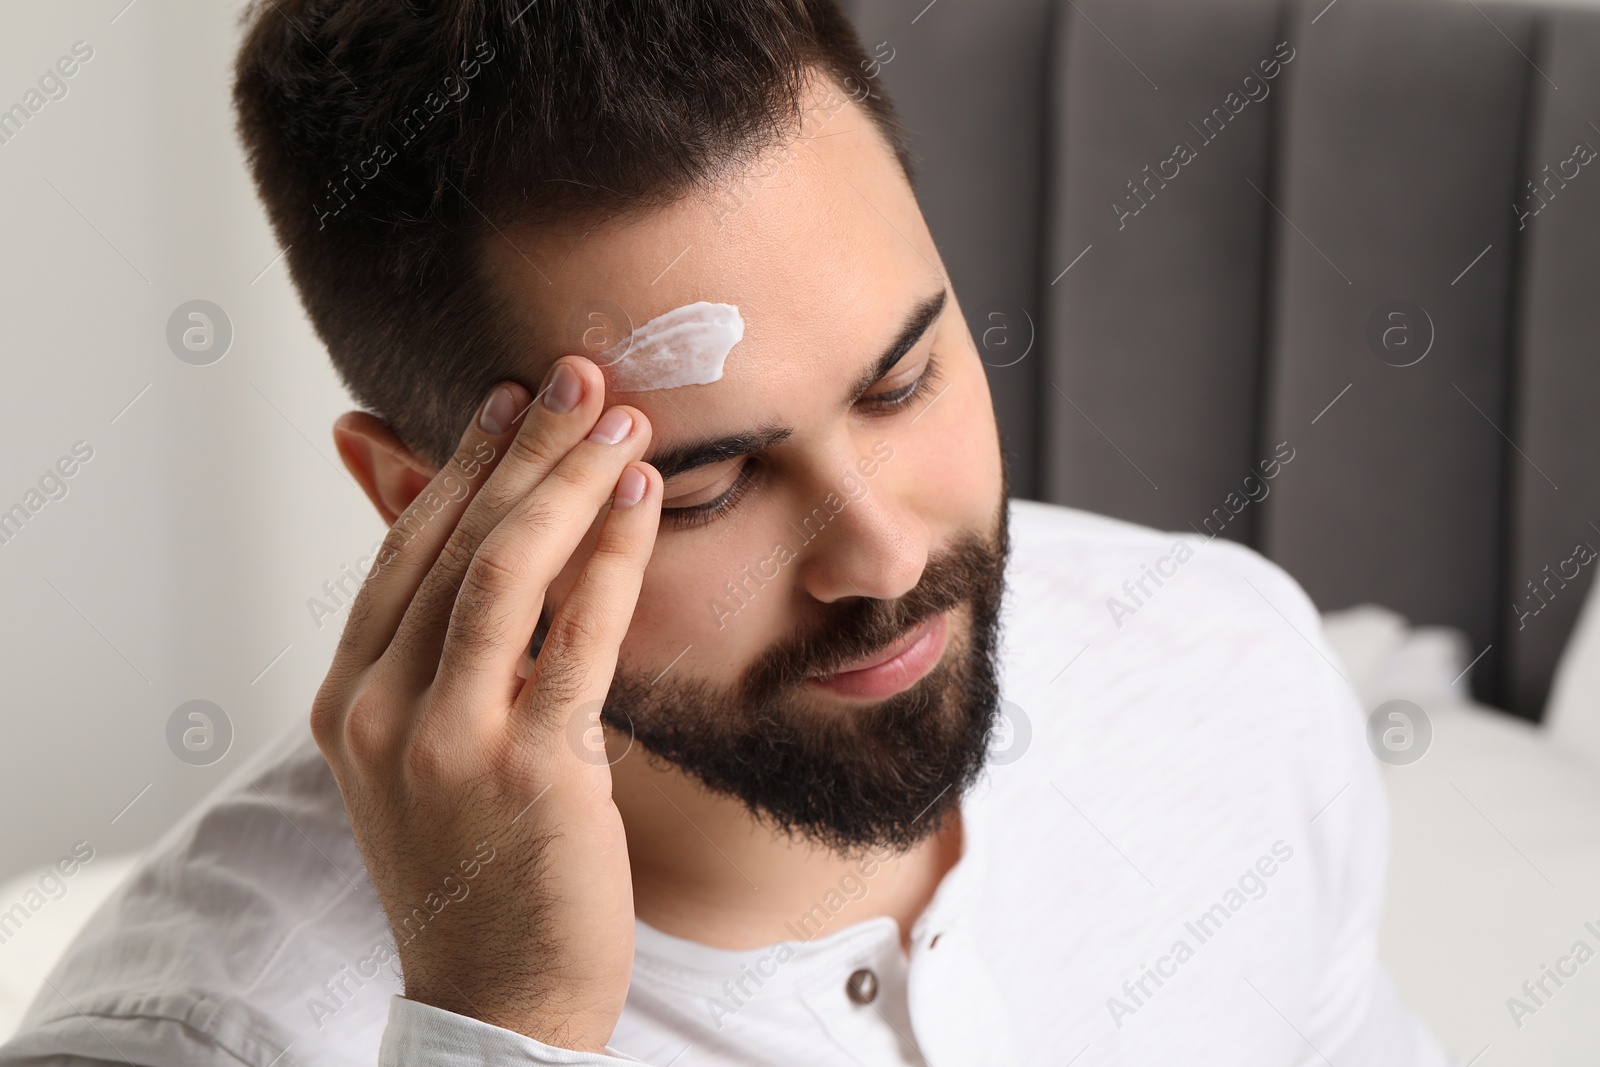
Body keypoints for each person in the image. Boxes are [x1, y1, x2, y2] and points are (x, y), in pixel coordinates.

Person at [0, 1, 1460, 1064]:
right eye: (700, 488)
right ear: (418, 505)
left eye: (904, 379)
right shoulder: (202, 1038)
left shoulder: (1232, 673)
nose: (882, 560)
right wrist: (506, 1031)